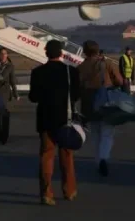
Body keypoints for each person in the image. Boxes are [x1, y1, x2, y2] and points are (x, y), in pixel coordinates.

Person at [28, 39, 80, 206]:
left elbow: (33, 97)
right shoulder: (71, 71)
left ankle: (46, 193)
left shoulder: (37, 72)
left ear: (46, 52)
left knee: (46, 156)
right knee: (67, 155)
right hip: (66, 119)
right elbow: (76, 95)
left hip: (45, 119)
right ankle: (69, 190)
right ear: (61, 53)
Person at [77, 40, 123, 177]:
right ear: (98, 50)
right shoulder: (107, 63)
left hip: (89, 105)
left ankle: (98, 162)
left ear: (85, 52)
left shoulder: (80, 67)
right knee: (107, 133)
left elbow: (78, 87)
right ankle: (103, 158)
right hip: (106, 103)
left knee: (95, 134)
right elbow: (119, 81)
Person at [0, 47, 19, 144]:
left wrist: (15, 94)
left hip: (5, 94)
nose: (3, 56)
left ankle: (4, 137)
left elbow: (13, 81)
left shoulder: (10, 66)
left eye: (5, 54)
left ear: (7, 55)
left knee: (5, 116)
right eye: (1, 54)